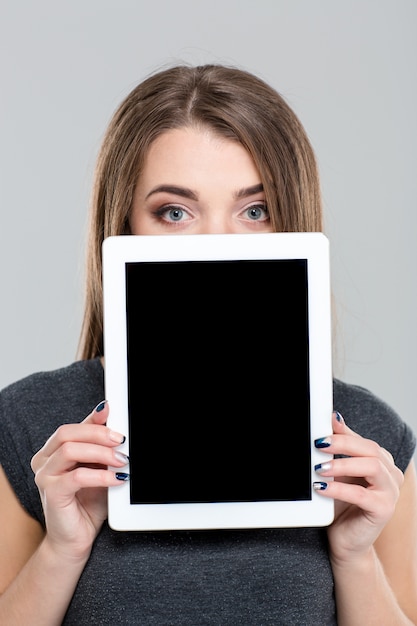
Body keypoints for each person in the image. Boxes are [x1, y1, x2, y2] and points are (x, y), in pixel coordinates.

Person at [0, 63, 416, 626]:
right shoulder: (31, 424)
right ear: (122, 226)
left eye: (255, 211)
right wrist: (62, 550)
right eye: (174, 212)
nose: (217, 245)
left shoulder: (371, 441)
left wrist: (354, 556)